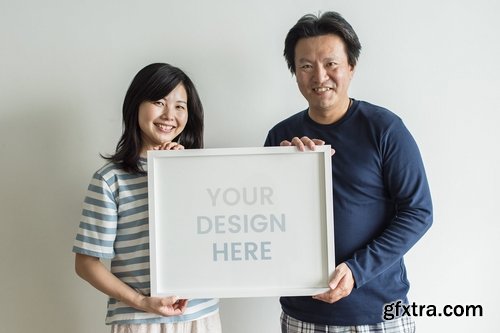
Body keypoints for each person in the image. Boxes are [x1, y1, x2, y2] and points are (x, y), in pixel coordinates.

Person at [264, 12, 433, 332]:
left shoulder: (385, 129)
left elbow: (418, 211)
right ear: (295, 73)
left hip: (379, 313)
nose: (319, 76)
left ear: (351, 67)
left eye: (331, 63)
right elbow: (263, 219)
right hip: (303, 314)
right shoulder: (280, 137)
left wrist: (357, 270)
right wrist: (284, 171)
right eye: (305, 66)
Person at [73, 63, 221, 333]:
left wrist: (179, 174)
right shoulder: (110, 179)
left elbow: (216, 236)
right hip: (139, 321)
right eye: (158, 102)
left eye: (179, 106)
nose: (169, 114)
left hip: (200, 316)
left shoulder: (201, 171)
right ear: (135, 105)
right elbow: (85, 264)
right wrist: (141, 301)